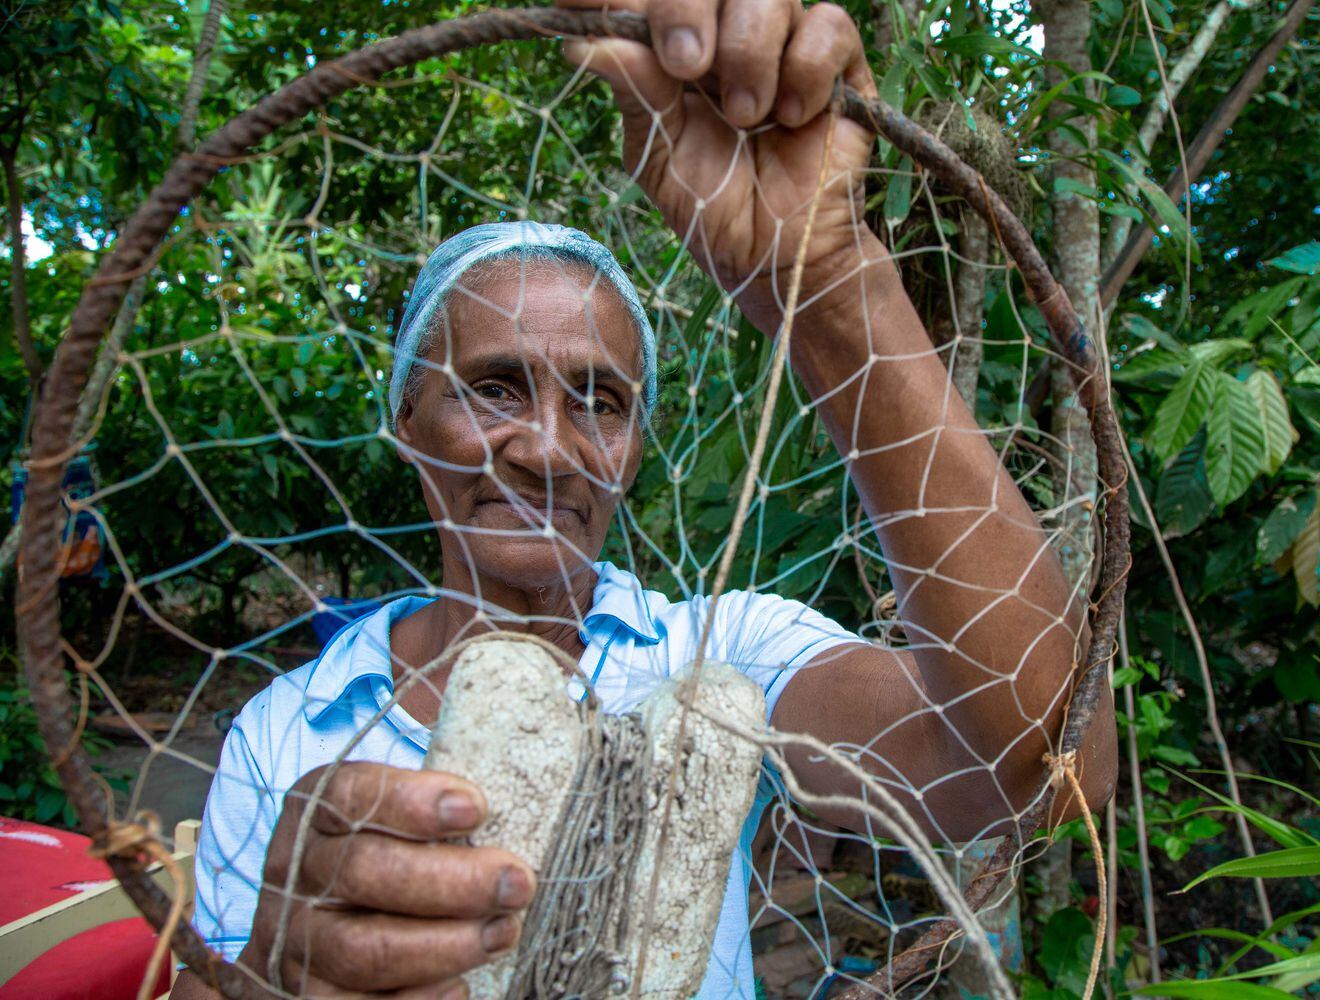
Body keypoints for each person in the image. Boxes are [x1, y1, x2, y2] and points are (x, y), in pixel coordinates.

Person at [172, 0, 1116, 996]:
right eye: (493, 387)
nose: (546, 448)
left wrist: (829, 282)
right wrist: (286, 969)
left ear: (632, 450)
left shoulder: (719, 662)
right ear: (406, 420)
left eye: (601, 402)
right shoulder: (295, 727)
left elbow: (1049, 770)